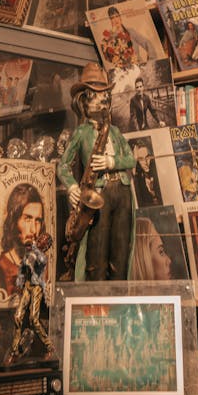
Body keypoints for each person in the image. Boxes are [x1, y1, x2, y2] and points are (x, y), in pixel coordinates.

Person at [57, 62, 135, 280]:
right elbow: (62, 165)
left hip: (122, 191)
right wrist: (72, 186)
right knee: (97, 251)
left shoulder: (116, 131)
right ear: (83, 101)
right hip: (99, 193)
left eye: (105, 97)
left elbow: (131, 159)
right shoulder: (81, 133)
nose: (103, 100)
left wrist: (111, 162)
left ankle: (119, 299)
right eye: (97, 96)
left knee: (121, 250)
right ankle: (96, 301)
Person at [3, 231, 56, 366]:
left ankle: (49, 347)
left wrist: (34, 248)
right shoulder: (30, 253)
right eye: (41, 238)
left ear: (46, 245)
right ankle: (14, 351)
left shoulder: (42, 256)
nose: (40, 240)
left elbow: (40, 261)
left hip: (37, 288)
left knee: (34, 320)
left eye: (44, 240)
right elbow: (22, 267)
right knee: (18, 317)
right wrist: (20, 282)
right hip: (27, 287)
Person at [0, 183, 45, 297]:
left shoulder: (40, 263)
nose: (33, 230)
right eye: (27, 219)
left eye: (37, 220)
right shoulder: (1, 265)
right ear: (14, 220)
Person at [99, 5, 157, 72]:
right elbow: (105, 54)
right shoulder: (108, 36)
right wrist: (111, 34)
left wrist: (151, 62)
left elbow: (147, 43)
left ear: (120, 17)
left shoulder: (130, 31)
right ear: (110, 20)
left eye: (117, 16)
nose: (115, 20)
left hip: (139, 68)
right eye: (112, 18)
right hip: (123, 72)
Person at [131, 141, 162, 207]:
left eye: (147, 157)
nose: (145, 162)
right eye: (141, 159)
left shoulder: (158, 173)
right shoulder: (137, 178)